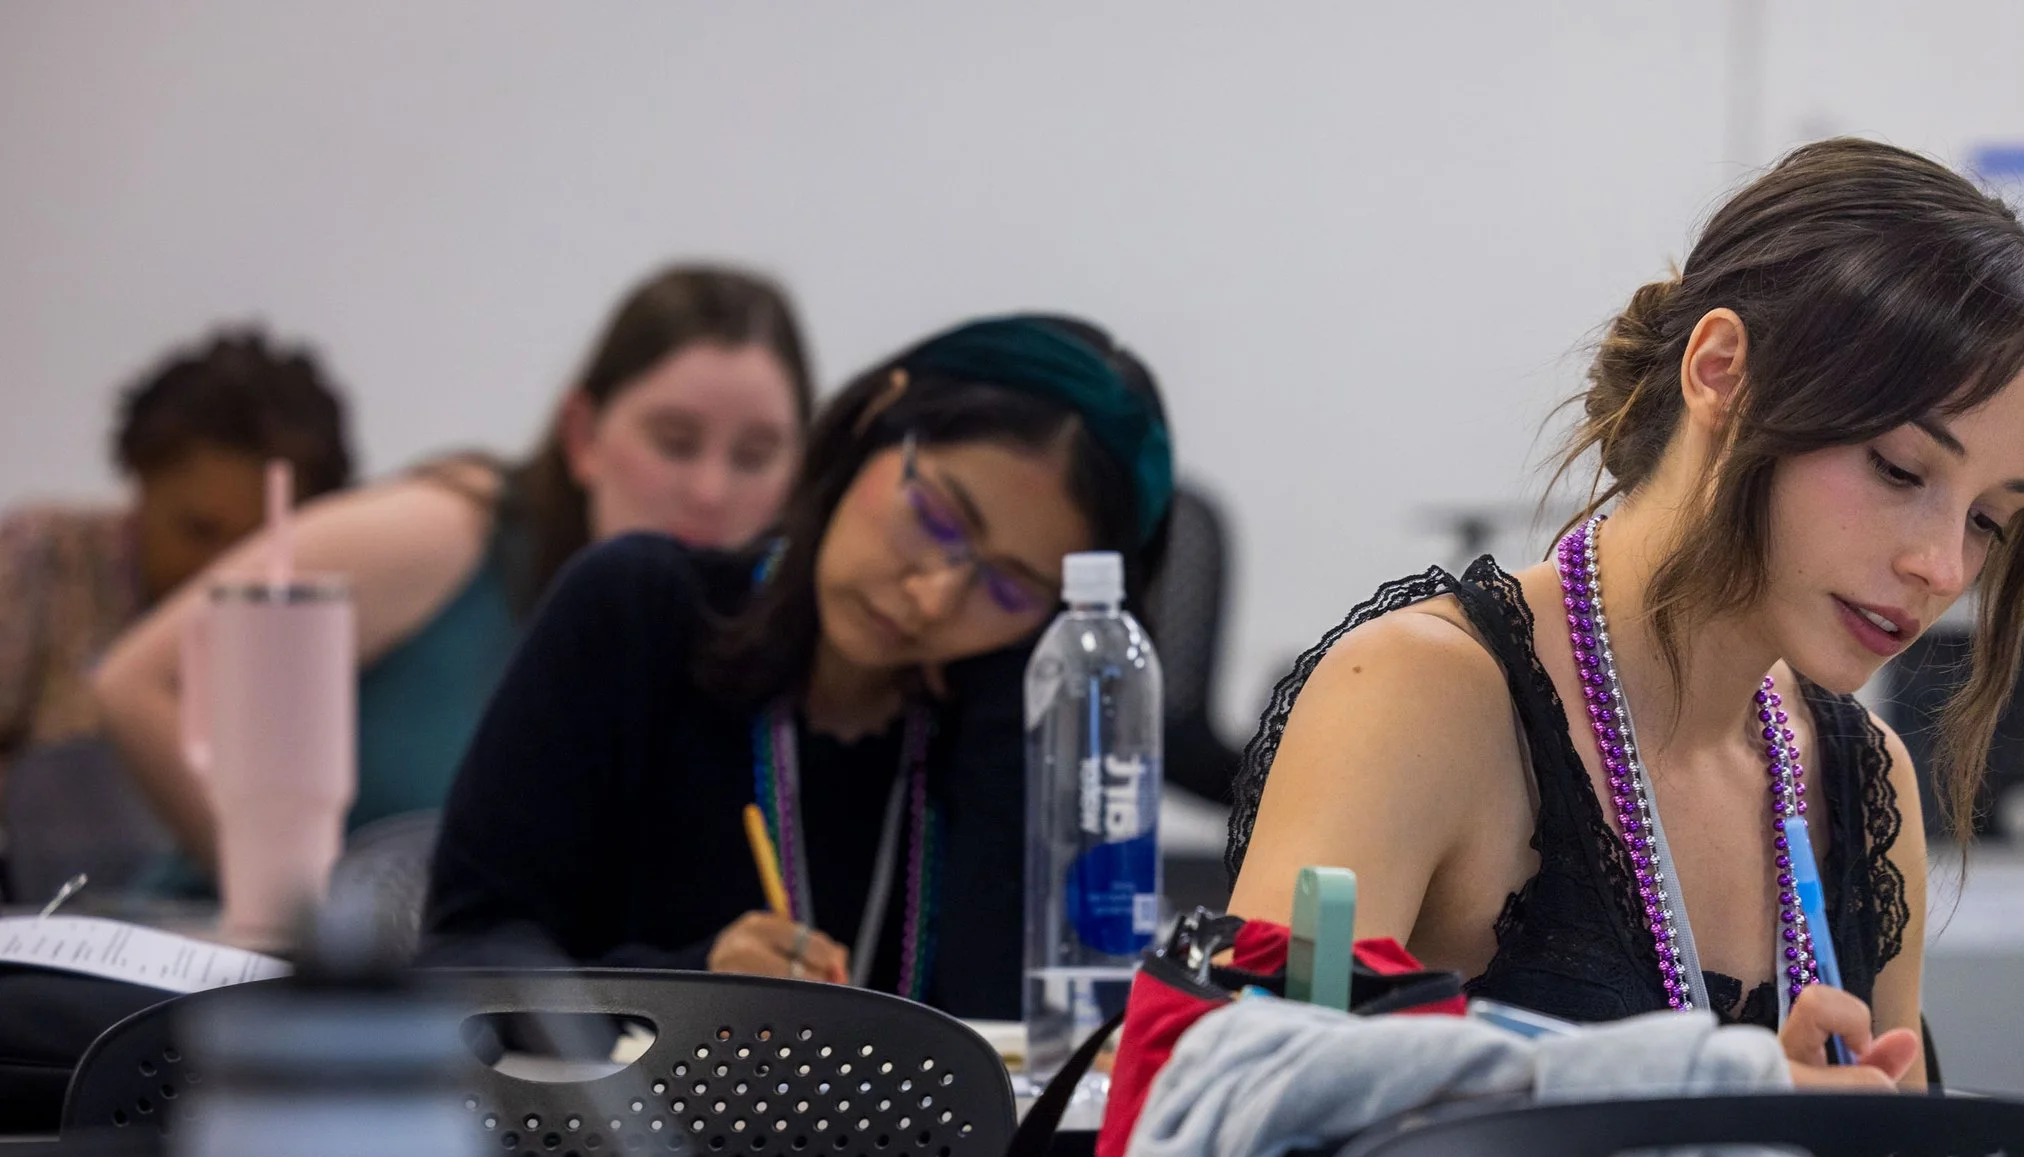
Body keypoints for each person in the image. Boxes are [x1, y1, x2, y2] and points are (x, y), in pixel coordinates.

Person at [1226, 139, 2024, 1091]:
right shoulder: (1422, 697)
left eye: (1988, 521)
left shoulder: (1866, 783)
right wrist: (1712, 1120)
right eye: (1900, 471)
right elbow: (1222, 1137)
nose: (1941, 566)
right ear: (1723, 371)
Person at [421, 314, 1173, 1020]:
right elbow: (464, 962)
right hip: (600, 1154)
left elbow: (1032, 1042)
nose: (935, 597)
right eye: (939, 519)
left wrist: (1002, 725)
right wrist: (697, 982)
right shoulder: (636, 614)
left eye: (1009, 586)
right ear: (875, 418)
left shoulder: (1009, 721)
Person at [93, 264, 812, 864]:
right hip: (249, 982)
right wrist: (307, 931)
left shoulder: (752, 646)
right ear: (582, 435)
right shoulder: (447, 531)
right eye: (676, 442)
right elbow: (137, 683)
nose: (713, 491)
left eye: (755, 456)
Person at [0, 326, 353, 811]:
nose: (224, 572)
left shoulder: (329, 632)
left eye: (257, 544)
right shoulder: (41, 565)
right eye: (198, 531)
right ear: (138, 476)